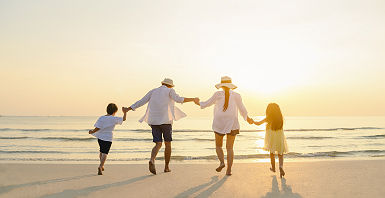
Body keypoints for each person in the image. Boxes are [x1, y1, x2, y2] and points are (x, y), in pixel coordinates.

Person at [123, 78, 198, 174]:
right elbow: (179, 99)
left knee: (158, 144)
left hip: (154, 121)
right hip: (166, 121)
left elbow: (141, 101)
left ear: (162, 83)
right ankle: (166, 167)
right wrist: (193, 99)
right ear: (170, 85)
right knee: (168, 144)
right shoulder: (170, 91)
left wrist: (128, 108)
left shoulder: (153, 91)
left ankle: (152, 159)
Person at [197, 76, 253, 176]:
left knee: (218, 146)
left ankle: (222, 162)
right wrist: (248, 119)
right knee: (230, 148)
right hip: (232, 123)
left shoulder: (217, 94)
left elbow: (206, 104)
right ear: (231, 85)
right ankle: (229, 170)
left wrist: (197, 102)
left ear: (222, 85)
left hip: (219, 123)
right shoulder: (237, 95)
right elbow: (242, 109)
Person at [250, 103, 288, 178]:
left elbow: (258, 123)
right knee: (280, 153)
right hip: (279, 138)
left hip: (271, 138)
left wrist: (253, 121)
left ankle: (273, 168)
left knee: (272, 153)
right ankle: (281, 166)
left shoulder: (268, 118)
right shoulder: (280, 118)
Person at [89, 103, 127, 175]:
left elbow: (98, 127)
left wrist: (92, 131)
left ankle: (102, 165)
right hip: (108, 137)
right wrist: (125, 112)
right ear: (115, 111)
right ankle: (101, 166)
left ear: (107, 110)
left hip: (100, 137)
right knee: (105, 153)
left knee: (101, 151)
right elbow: (124, 119)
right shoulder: (114, 118)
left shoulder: (101, 118)